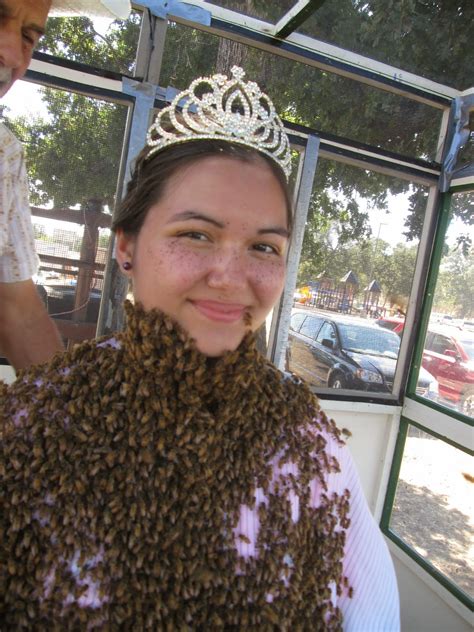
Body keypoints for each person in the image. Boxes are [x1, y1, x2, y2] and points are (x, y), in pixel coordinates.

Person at [0, 67, 400, 629]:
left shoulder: (312, 443)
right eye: (196, 235)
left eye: (264, 246)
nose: (231, 276)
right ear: (127, 247)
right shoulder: (32, 421)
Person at [0, 0, 130, 370]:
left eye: (28, 37)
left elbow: (16, 310)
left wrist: (69, 420)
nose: (11, 53)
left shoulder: (3, 153)